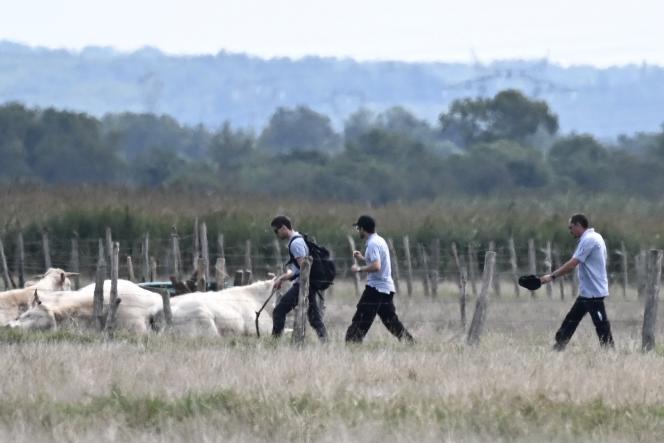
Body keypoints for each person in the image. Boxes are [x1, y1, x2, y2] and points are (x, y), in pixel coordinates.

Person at [540, 213, 614, 351]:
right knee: (572, 319)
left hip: (594, 292)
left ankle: (609, 350)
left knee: (601, 324)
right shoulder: (594, 236)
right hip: (588, 291)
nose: (570, 231)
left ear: (579, 225)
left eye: (571, 227)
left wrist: (552, 276)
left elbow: (573, 263)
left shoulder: (589, 240)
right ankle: (559, 345)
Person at [345, 215, 414, 344]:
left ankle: (352, 344)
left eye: (358, 228)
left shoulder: (372, 244)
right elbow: (377, 262)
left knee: (361, 318)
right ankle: (409, 342)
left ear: (363, 229)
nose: (358, 231)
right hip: (386, 289)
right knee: (391, 321)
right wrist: (363, 258)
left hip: (376, 289)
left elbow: (376, 266)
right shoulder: (379, 240)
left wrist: (359, 269)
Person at [270, 215, 327, 342]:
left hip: (303, 285)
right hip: (307, 284)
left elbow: (303, 268)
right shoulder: (298, 238)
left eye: (276, 230)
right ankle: (325, 342)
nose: (276, 234)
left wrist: (283, 278)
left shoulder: (295, 243)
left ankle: (273, 344)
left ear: (284, 228)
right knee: (314, 318)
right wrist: (282, 278)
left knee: (279, 311)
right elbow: (300, 268)